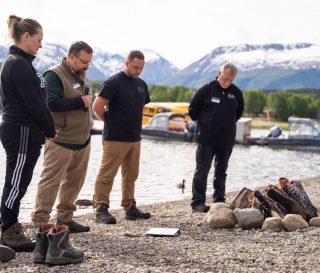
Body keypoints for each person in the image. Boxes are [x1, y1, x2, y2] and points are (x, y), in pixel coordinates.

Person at [0, 15, 56, 252]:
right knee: (16, 182)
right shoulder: (18, 64)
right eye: (39, 39)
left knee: (18, 180)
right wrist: (50, 129)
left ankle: (8, 225)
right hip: (21, 128)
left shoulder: (20, 62)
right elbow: (34, 103)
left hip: (24, 129)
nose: (40, 45)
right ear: (26, 37)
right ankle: (9, 230)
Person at [31, 41, 94, 233]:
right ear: (71, 57)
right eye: (84, 61)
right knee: (50, 181)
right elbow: (50, 103)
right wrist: (78, 102)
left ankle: (65, 218)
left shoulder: (82, 75)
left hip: (82, 140)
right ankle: (40, 222)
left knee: (75, 182)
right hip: (61, 139)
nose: (86, 66)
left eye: (89, 63)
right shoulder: (54, 74)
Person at [93, 50, 151, 224]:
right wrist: (110, 122)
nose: (138, 71)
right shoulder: (113, 82)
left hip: (134, 138)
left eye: (141, 68)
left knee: (131, 175)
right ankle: (101, 209)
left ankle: (130, 207)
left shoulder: (142, 84)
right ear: (126, 63)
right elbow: (97, 107)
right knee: (107, 174)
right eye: (135, 67)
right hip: (114, 138)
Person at [188, 63, 244, 213]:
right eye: (224, 78)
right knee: (202, 170)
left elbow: (238, 113)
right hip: (206, 139)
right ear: (219, 73)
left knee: (221, 170)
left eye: (230, 80)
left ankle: (219, 199)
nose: (226, 82)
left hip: (226, 139)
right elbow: (193, 110)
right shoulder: (206, 89)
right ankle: (198, 202)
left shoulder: (236, 93)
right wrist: (205, 124)